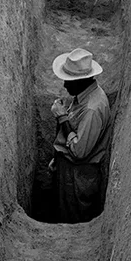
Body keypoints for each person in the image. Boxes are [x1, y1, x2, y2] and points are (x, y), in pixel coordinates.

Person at [49, 47, 113, 223]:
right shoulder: (84, 93)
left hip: (78, 178)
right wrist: (58, 156)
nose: (65, 85)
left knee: (73, 223)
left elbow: (79, 151)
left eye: (69, 81)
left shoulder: (92, 109)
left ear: (82, 80)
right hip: (69, 170)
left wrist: (62, 117)